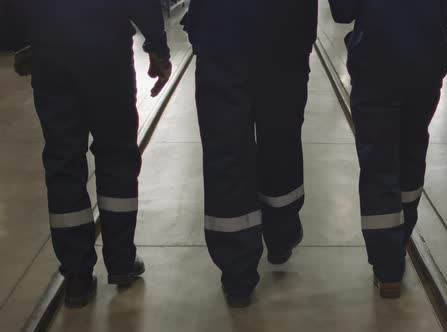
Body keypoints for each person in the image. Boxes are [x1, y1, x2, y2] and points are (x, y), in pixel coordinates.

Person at [10, 0, 172, 308]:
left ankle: (77, 275)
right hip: (106, 48)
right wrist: (157, 44)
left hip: (51, 50)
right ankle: (122, 261)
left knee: (63, 161)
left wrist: (21, 41)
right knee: (116, 154)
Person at [182, 0, 318, 307]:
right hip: (285, 32)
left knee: (226, 152)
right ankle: (280, 236)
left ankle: (237, 272)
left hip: (221, 32)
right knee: (280, 139)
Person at [328, 0, 447, 298]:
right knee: (412, 152)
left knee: (379, 164)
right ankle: (401, 237)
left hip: (375, 62)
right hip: (426, 64)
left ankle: (387, 267)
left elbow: (342, 11)